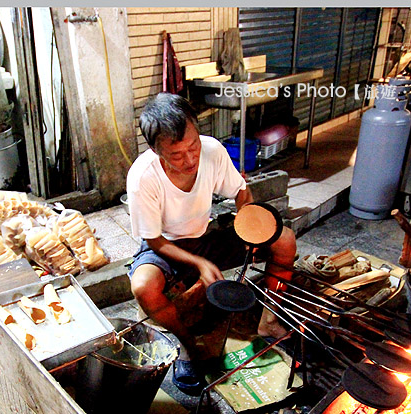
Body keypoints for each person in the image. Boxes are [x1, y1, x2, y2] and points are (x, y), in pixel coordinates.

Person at [126, 93, 296, 394]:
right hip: (167, 246)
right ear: (156, 150)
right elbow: (153, 239)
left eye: (193, 147)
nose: (190, 159)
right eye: (177, 155)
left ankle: (268, 320)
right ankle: (188, 346)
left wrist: (249, 230)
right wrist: (200, 264)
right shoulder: (143, 178)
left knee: (284, 239)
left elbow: (241, 191)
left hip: (206, 236)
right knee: (143, 286)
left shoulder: (212, 150)